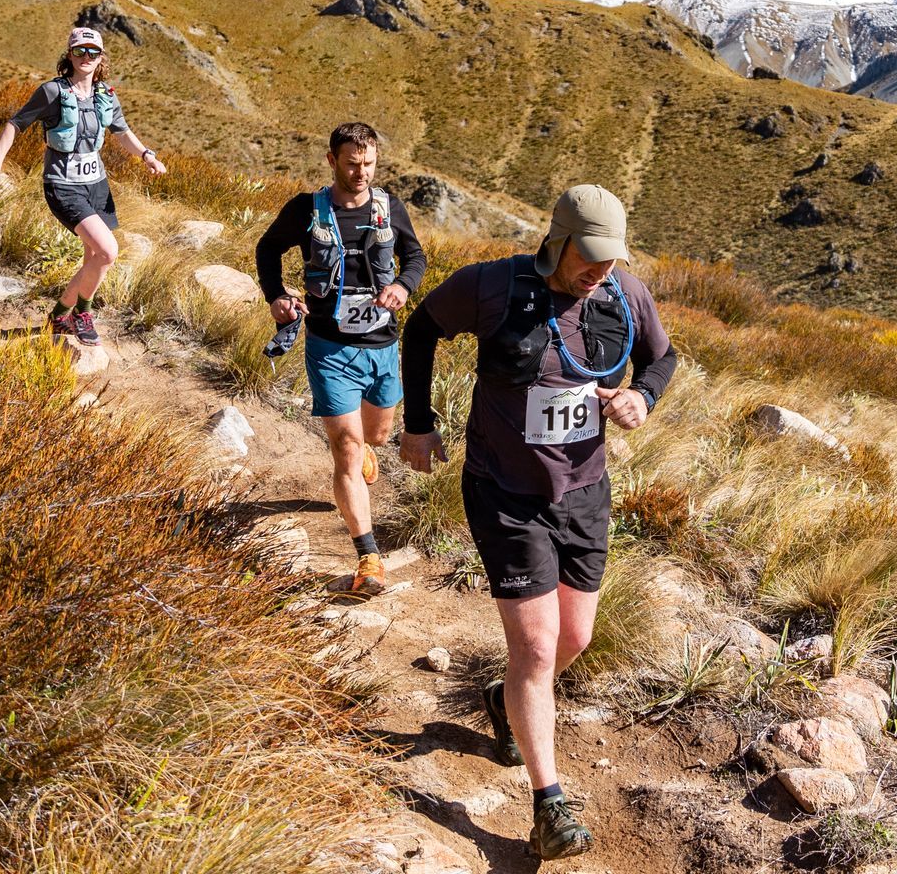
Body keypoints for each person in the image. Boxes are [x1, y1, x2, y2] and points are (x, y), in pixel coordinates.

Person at [399, 184, 676, 859]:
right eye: (590, 256)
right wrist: (418, 425)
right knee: (536, 648)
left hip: (584, 493)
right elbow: (423, 328)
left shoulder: (625, 295)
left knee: (573, 638)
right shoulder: (492, 287)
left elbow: (663, 358)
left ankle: (504, 700)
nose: (600, 270)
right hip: (504, 493)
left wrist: (642, 395)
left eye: (611, 259)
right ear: (558, 240)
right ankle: (549, 805)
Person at [255, 123, 426, 596]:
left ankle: (368, 449)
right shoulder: (307, 209)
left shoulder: (388, 207)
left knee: (376, 435)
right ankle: (368, 557)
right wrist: (276, 295)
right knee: (346, 447)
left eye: (369, 164)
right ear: (331, 160)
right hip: (329, 347)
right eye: (352, 163)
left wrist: (402, 286)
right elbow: (268, 247)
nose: (361, 172)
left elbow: (415, 256)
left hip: (382, 344)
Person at [0, 27, 165, 345]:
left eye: (93, 52)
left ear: (101, 57)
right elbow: (14, 124)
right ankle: (82, 313)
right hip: (63, 186)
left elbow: (122, 131)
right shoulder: (52, 92)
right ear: (69, 55)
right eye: (80, 51)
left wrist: (146, 154)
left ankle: (58, 315)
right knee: (108, 252)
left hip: (96, 184)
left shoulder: (106, 94)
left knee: (93, 257)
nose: (86, 57)